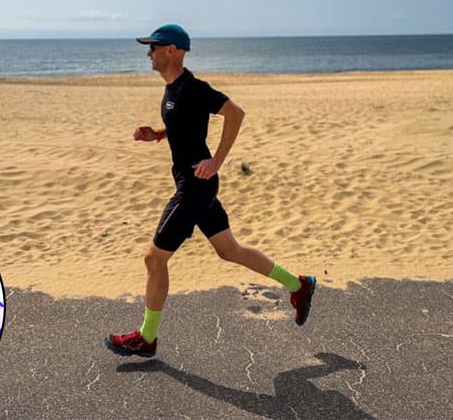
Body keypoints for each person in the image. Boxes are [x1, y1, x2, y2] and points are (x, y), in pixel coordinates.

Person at [105, 24, 316, 358]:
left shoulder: (192, 88)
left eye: (153, 47)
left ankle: (147, 337)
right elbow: (184, 124)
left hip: (194, 187)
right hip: (196, 185)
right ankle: (298, 284)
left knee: (153, 259)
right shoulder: (173, 90)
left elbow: (235, 113)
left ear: (171, 50)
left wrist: (216, 161)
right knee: (230, 250)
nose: (148, 53)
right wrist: (157, 134)